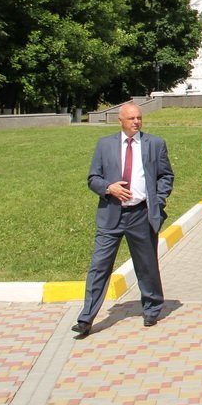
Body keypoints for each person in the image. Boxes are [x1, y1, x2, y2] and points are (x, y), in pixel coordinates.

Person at [73, 103, 173, 337]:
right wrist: (109, 187)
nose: (136, 122)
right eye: (131, 118)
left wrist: (157, 200)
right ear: (120, 120)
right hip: (111, 213)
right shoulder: (105, 145)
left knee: (146, 264)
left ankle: (152, 307)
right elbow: (92, 178)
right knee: (99, 265)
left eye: (139, 118)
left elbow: (166, 175)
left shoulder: (154, 144)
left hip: (141, 213)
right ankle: (86, 317)